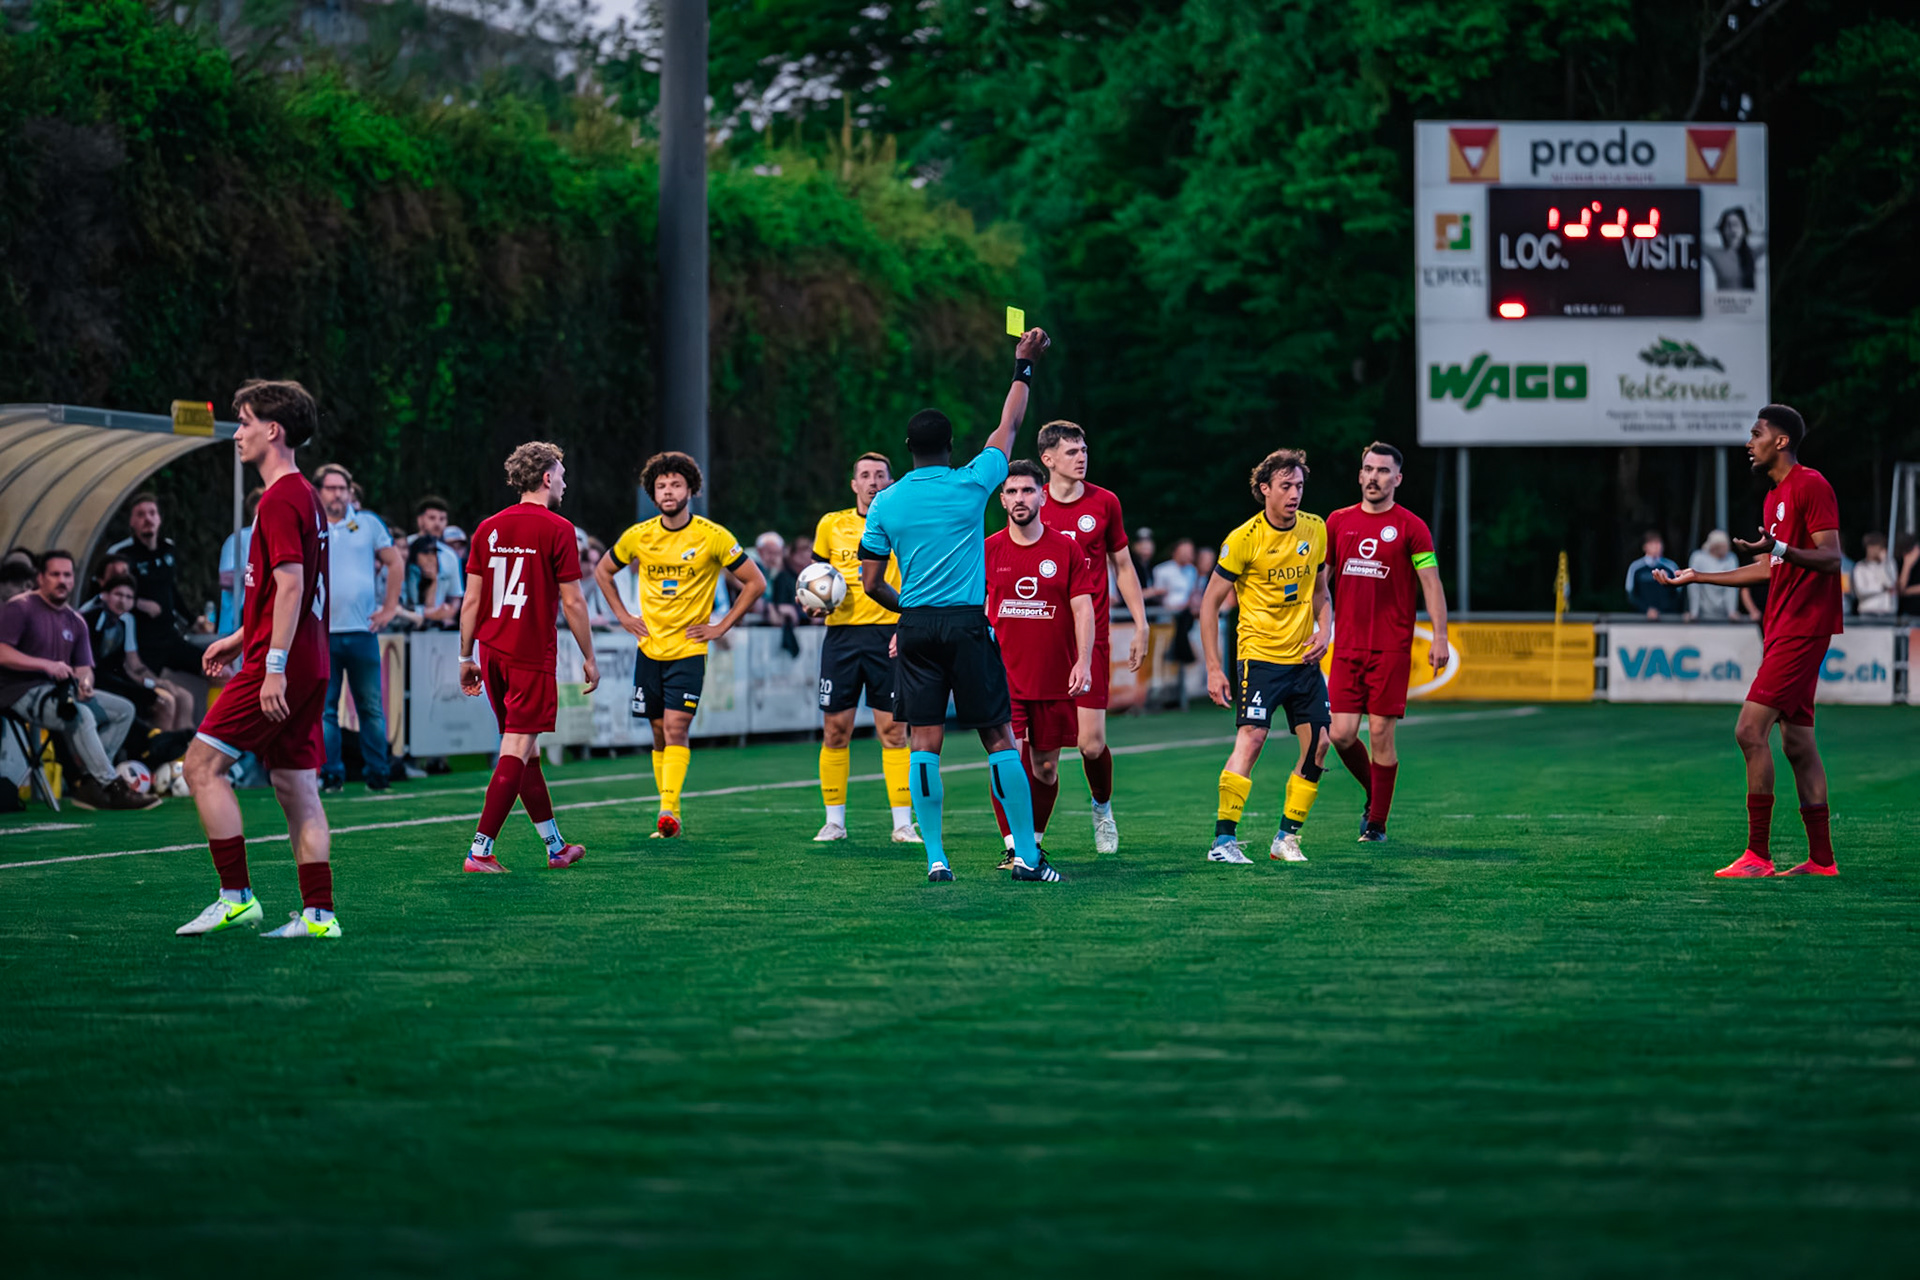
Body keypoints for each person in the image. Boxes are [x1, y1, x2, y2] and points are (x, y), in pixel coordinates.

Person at [858, 329, 1055, 882]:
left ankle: (937, 858)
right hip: (967, 623)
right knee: (998, 738)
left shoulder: (885, 502)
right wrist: (1023, 366)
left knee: (924, 743)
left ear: (908, 450)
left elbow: (870, 581)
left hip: (916, 626)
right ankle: (1028, 856)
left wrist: (906, 610)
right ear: (950, 445)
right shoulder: (973, 482)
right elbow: (1010, 425)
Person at [176, 379, 340, 939]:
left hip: (285, 664)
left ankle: (236, 897)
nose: (237, 433)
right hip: (308, 659)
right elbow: (286, 589)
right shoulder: (306, 497)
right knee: (297, 788)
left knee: (200, 767)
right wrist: (241, 636)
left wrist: (268, 665)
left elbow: (291, 587)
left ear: (273, 430)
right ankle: (319, 916)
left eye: (244, 421)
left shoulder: (278, 498)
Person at [1654, 404, 1845, 877]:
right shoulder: (1774, 498)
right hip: (1781, 627)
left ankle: (1758, 856)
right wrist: (1698, 576)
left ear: (1781, 441)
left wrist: (1778, 548)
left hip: (1803, 627)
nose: (1749, 442)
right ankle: (1822, 861)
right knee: (1798, 744)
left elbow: (1831, 558)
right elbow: (1768, 568)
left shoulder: (1811, 484)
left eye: (1756, 433)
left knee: (1748, 730)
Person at [594, 451, 765, 838]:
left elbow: (755, 583)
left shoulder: (713, 536)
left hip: (689, 649)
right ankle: (668, 809)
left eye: (675, 484)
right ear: (653, 495)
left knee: (675, 727)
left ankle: (668, 811)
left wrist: (721, 626)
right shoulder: (639, 535)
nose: (668, 491)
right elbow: (603, 571)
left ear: (691, 489)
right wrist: (623, 615)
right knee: (658, 732)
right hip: (650, 648)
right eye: (661, 486)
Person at [458, 441, 601, 872]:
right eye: (560, 474)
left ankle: (555, 847)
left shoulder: (488, 528)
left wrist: (465, 655)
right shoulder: (558, 529)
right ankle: (480, 851)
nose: (564, 481)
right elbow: (574, 603)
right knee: (517, 749)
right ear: (545, 478)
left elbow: (471, 600)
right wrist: (589, 656)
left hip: (493, 650)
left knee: (527, 753)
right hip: (529, 653)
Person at [1198, 448, 1332, 865]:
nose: (1295, 494)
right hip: (1259, 658)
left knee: (1320, 745)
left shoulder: (1316, 529)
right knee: (1253, 739)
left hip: (1304, 661)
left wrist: (1325, 629)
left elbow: (1322, 592)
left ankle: (1286, 838)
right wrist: (1215, 668)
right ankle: (1223, 842)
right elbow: (1208, 605)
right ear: (1265, 490)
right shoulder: (1244, 539)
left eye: (1300, 486)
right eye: (1286, 486)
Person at [1324, 442, 1450, 843]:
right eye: (1368, 469)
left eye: (1383, 471)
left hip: (1391, 647)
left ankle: (1376, 823)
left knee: (1380, 732)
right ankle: (1374, 795)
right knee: (1340, 734)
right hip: (1345, 645)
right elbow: (1320, 580)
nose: (1374, 477)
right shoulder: (1338, 522)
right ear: (1360, 475)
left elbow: (1431, 582)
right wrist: (1311, 624)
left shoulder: (1412, 526)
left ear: (1397, 479)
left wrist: (1441, 636)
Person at [1035, 420, 1150, 854]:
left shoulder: (1105, 503)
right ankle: (1031, 838)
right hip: (1043, 643)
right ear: (1047, 460)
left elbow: (1122, 567)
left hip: (1092, 639)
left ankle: (1102, 809)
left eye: (1084, 450)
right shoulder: (1032, 503)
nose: (1082, 457)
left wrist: (1140, 623)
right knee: (1041, 754)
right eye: (1071, 452)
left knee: (1091, 743)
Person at [984, 460, 1097, 866]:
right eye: (1012, 492)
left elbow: (1083, 610)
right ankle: (1015, 846)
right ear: (1001, 500)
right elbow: (975, 608)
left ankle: (1033, 838)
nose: (1020, 499)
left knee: (1045, 768)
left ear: (1042, 495)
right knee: (1006, 761)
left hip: (1054, 678)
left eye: (1027, 491)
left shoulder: (1065, 549)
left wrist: (1083, 661)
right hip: (1004, 679)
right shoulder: (988, 550)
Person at [806, 451, 918, 844]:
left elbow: (917, 576)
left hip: (888, 633)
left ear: (891, 481)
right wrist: (811, 604)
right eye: (865, 475)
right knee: (836, 729)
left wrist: (907, 624)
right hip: (841, 637)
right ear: (854, 484)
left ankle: (902, 823)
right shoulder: (830, 525)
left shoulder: (903, 520)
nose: (873, 482)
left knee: (893, 729)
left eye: (880, 475)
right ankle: (834, 821)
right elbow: (814, 578)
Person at [0, 550, 156, 811]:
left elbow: (84, 667)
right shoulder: (20, 607)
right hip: (19, 691)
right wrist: (45, 665)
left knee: (124, 710)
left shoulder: (76, 620)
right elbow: (2, 652)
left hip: (61, 690)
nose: (62, 580)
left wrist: (85, 684)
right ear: (40, 578)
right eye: (55, 574)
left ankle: (89, 782)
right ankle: (111, 785)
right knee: (81, 715)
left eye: (67, 575)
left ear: (74, 580)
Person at [315, 464, 403, 793]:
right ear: (320, 491)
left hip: (363, 630)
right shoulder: (312, 522)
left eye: (343, 488)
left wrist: (390, 608)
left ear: (350, 492)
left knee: (370, 707)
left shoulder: (367, 523)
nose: (338, 494)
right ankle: (331, 774)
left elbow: (395, 562)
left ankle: (378, 774)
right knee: (326, 710)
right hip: (322, 633)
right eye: (331, 488)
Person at [106, 493, 207, 677]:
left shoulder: (167, 548)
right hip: (141, 643)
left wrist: (193, 621)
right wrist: (139, 603)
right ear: (132, 522)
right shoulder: (122, 554)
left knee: (219, 670)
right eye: (141, 514)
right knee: (167, 699)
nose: (148, 519)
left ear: (159, 519)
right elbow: (106, 595)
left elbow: (171, 590)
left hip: (169, 636)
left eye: (152, 513)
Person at [81, 572, 193, 732]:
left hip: (115, 679)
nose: (123, 601)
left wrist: (154, 682)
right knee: (162, 701)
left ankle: (175, 747)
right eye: (118, 594)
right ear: (104, 595)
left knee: (172, 698)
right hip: (95, 681)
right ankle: (156, 751)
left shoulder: (125, 622)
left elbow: (132, 664)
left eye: (128, 597)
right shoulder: (88, 618)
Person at [216, 489, 263, 638]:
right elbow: (225, 578)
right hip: (235, 622)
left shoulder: (281, 539)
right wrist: (256, 572)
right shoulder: (239, 538)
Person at [413, 497, 465, 606]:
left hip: (436, 619)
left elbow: (455, 596)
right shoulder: (404, 547)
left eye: (442, 519)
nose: (437, 523)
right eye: (432, 518)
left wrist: (447, 614)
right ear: (420, 520)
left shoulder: (450, 556)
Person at [1686, 530, 1742, 620]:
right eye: (1723, 546)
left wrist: (1731, 611)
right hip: (1703, 612)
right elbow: (1694, 588)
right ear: (1714, 547)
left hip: (1724, 614)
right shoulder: (1698, 558)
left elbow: (1732, 587)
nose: (1727, 548)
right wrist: (1694, 612)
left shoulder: (1731, 558)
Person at [1625, 532, 1682, 617]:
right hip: (1641, 618)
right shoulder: (1636, 568)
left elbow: (1678, 593)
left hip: (1667, 618)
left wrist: (1662, 610)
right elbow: (1631, 593)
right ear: (1645, 547)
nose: (1656, 546)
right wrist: (1646, 610)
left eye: (1659, 543)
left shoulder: (1671, 567)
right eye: (1652, 543)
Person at [1851, 532, 1896, 616]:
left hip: (1887, 611)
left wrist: (1883, 564)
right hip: (1868, 611)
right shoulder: (1860, 567)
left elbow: (1891, 584)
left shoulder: (1889, 564)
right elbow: (1860, 591)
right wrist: (1881, 588)